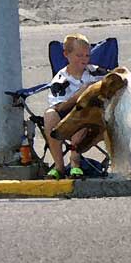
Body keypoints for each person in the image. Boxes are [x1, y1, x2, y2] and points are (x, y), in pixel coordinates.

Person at [44, 33, 105, 179]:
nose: (84, 59)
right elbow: (59, 107)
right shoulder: (60, 79)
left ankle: (75, 162)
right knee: (50, 115)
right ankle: (58, 166)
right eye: (79, 56)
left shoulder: (97, 73)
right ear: (66, 54)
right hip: (65, 118)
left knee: (83, 113)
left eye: (87, 55)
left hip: (94, 121)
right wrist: (80, 94)